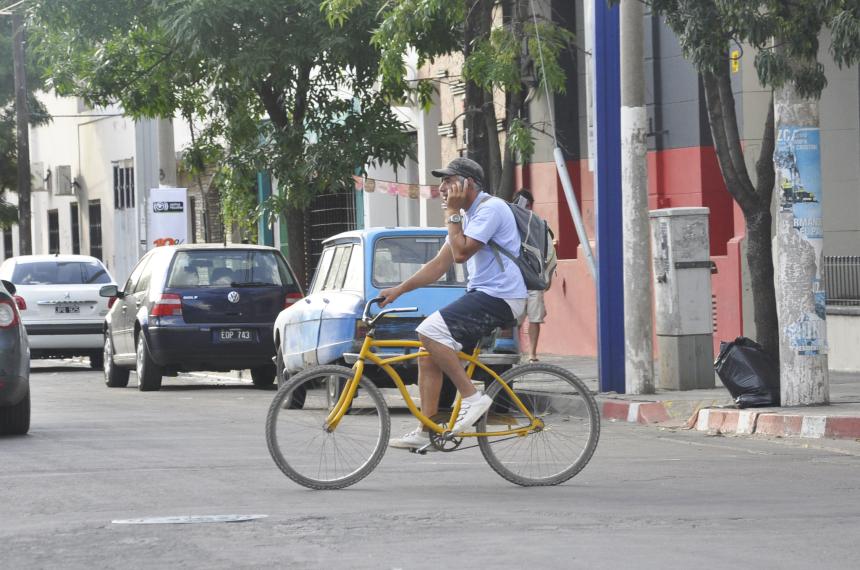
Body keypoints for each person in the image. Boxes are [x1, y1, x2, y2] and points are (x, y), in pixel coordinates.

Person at [380, 157, 527, 450]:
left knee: (428, 330)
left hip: (501, 297)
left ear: (468, 184)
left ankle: (473, 399)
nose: (442, 188)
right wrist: (399, 290)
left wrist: (452, 213)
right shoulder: (468, 216)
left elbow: (461, 254)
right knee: (427, 354)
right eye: (442, 182)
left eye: (449, 181)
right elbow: (438, 265)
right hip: (483, 295)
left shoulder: (490, 209)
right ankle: (428, 430)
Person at [512, 188, 547, 362]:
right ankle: (517, 351)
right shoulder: (510, 223)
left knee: (535, 317)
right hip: (516, 280)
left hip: (533, 278)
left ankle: (532, 353)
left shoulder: (537, 223)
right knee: (515, 320)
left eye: (527, 204)